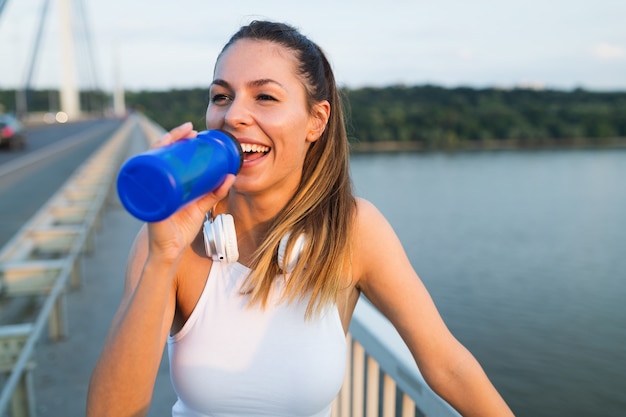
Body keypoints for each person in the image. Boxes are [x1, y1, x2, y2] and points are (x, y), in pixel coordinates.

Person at [87, 20, 514, 417]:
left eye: (265, 97)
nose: (233, 114)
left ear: (316, 120)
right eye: (222, 96)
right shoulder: (169, 239)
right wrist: (164, 256)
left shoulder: (352, 230)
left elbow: (448, 366)